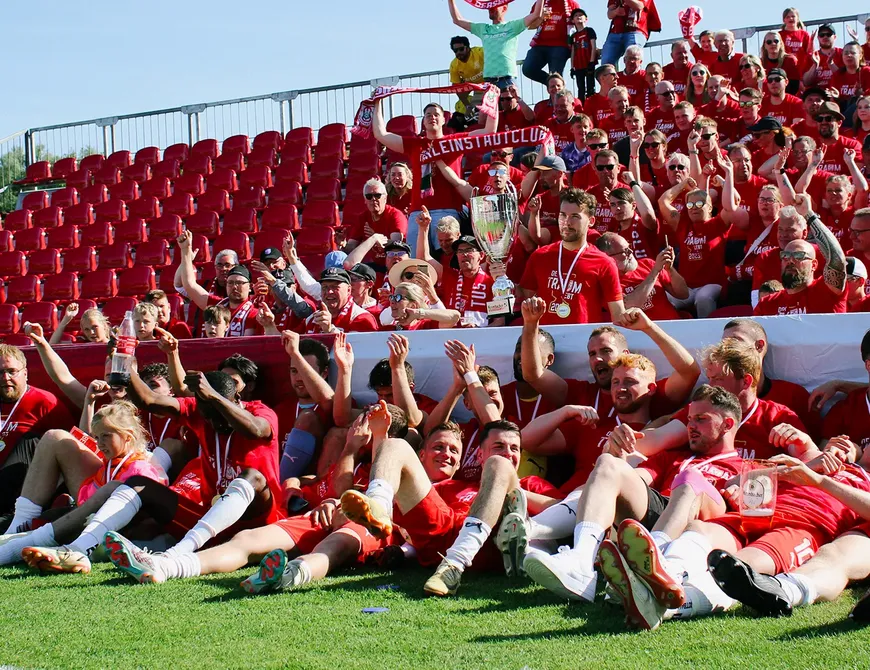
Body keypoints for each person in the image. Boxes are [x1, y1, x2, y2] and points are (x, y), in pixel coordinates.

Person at [104, 401, 410, 587]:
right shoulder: (351, 457)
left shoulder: (395, 457)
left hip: (369, 528)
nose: (359, 424)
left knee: (335, 545)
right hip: (317, 518)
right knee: (245, 540)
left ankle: (289, 576)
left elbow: (365, 500)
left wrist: (364, 444)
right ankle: (165, 567)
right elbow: (336, 490)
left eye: (367, 420)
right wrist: (346, 458)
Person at [608, 440, 870, 629]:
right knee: (700, 530)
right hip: (758, 512)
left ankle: (669, 607)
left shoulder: (861, 479)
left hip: (804, 524)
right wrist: (803, 464)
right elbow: (738, 482)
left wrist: (818, 479)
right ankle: (660, 577)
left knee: (738, 567)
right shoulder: (818, 461)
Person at [522, 384, 744, 603]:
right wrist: (615, 453)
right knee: (608, 464)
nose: (691, 426)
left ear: (727, 424)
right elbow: (636, 478)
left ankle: (649, 569)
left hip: (699, 530)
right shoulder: (672, 456)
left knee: (689, 481)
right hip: (659, 514)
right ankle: (581, 562)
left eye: (701, 419)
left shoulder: (746, 469)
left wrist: (736, 493)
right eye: (689, 419)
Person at [340, 417, 558, 596]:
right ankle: (379, 503)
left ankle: (454, 566)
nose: (509, 453)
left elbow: (562, 511)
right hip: (441, 535)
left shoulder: (530, 484)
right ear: (479, 455)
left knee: (499, 465)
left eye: (515, 448)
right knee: (395, 445)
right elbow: (413, 514)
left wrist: (511, 491)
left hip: (492, 544)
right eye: (499, 446)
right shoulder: (453, 484)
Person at [0, 401, 169, 572]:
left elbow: (139, 515)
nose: (99, 443)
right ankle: (21, 531)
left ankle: (40, 545)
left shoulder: (140, 468)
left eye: (106, 436)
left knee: (111, 489)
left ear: (128, 436)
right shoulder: (110, 463)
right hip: (92, 521)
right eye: (97, 437)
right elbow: (89, 498)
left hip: (119, 532)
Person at [519, 188, 625, 325]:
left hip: (585, 342)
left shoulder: (604, 263)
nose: (567, 222)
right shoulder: (540, 256)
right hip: (546, 341)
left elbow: (617, 313)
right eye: (563, 215)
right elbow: (527, 299)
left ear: (591, 221)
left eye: (575, 216)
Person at [0, 344, 72, 520]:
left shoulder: (45, 403)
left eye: (12, 371)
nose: (5, 378)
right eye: (0, 372)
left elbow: (69, 448)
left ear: (25, 373)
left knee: (30, 440)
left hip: (22, 491)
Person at [754, 196, 848, 316]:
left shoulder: (826, 291)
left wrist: (809, 215)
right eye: (785, 256)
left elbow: (837, 259)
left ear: (814, 265)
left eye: (799, 256)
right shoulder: (767, 304)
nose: (791, 260)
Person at [658, 177, 730, 317]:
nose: (694, 208)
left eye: (699, 203)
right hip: (686, 288)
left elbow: (732, 204)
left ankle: (707, 336)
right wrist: (683, 184)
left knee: (703, 298)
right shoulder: (682, 225)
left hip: (712, 285)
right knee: (665, 299)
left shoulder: (718, 224)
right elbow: (663, 201)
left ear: (709, 207)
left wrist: (722, 181)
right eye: (690, 205)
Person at [272, 332, 334, 481]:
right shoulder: (280, 411)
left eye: (306, 371)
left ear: (324, 373)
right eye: (294, 371)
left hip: (317, 484)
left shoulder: (341, 405)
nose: (299, 378)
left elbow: (329, 402)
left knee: (307, 419)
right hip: (285, 485)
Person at [176, 231, 261, 338]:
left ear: (250, 287)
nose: (234, 286)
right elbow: (189, 284)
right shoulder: (218, 305)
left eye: (239, 283)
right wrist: (185, 251)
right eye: (230, 283)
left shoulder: (254, 312)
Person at [447, 0, 545, 90]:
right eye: (490, 8)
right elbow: (457, 20)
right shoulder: (483, 29)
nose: (491, 10)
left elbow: (536, 14)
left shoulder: (513, 26)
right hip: (489, 81)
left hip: (507, 78)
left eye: (494, 7)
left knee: (512, 108)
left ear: (504, 8)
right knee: (489, 110)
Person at [595, 233, 688, 321]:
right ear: (608, 257)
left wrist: (670, 269)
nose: (631, 252)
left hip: (672, 324)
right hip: (641, 333)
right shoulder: (607, 282)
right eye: (625, 251)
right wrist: (654, 272)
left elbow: (683, 294)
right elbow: (629, 307)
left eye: (629, 247)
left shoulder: (647, 264)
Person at [344, 178, 407, 273]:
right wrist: (342, 244)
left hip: (396, 263)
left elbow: (396, 244)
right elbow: (351, 248)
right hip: (377, 265)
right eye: (369, 196)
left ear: (385, 198)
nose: (373, 199)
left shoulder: (395, 215)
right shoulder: (363, 218)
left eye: (377, 195)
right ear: (365, 200)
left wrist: (375, 237)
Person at [175, 248, 237, 336]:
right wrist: (186, 260)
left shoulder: (241, 291)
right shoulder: (204, 285)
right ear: (215, 267)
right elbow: (179, 285)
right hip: (198, 340)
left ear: (236, 267)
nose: (223, 269)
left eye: (228, 265)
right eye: (219, 265)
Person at [302, 268, 379, 334]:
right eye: (324, 287)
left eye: (335, 287)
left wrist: (330, 330)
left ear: (349, 290)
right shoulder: (312, 319)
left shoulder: (362, 318)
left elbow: (359, 349)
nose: (329, 292)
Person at [522, 0, 580, 85]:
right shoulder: (540, 3)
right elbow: (530, 25)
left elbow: (579, 25)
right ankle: (555, 84)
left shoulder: (572, 4)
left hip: (560, 46)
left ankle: (556, 86)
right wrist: (541, 17)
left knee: (555, 74)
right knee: (528, 69)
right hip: (539, 44)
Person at [385, 282, 461, 331]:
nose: (392, 301)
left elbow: (455, 316)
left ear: (413, 305)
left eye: (398, 297)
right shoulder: (387, 329)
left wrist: (419, 313)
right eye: (392, 297)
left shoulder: (425, 326)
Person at [600, 0, 655, 67]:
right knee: (606, 62)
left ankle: (632, 77)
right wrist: (616, 11)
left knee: (633, 57)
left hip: (635, 30)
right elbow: (609, 14)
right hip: (615, 32)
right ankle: (611, 76)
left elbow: (639, 6)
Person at [448, 36, 485, 126]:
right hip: (474, 87)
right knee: (460, 92)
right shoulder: (454, 64)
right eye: (455, 51)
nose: (458, 53)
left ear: (468, 48)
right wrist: (468, 106)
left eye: (461, 49)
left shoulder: (480, 52)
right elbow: (457, 88)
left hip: (489, 82)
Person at [569, 8, 598, 101]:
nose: (578, 17)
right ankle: (581, 107)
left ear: (586, 18)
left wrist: (592, 61)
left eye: (581, 15)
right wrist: (572, 67)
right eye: (576, 16)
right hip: (578, 65)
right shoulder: (573, 36)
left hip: (588, 62)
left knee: (590, 87)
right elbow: (573, 52)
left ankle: (591, 105)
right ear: (573, 20)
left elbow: (593, 46)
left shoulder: (589, 31)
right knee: (580, 88)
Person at [803, 24, 843, 90]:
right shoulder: (812, 56)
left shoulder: (843, 53)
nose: (825, 37)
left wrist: (831, 64)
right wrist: (815, 65)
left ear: (835, 37)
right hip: (817, 93)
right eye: (822, 35)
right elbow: (806, 82)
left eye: (829, 34)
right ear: (818, 38)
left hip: (837, 92)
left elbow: (846, 79)